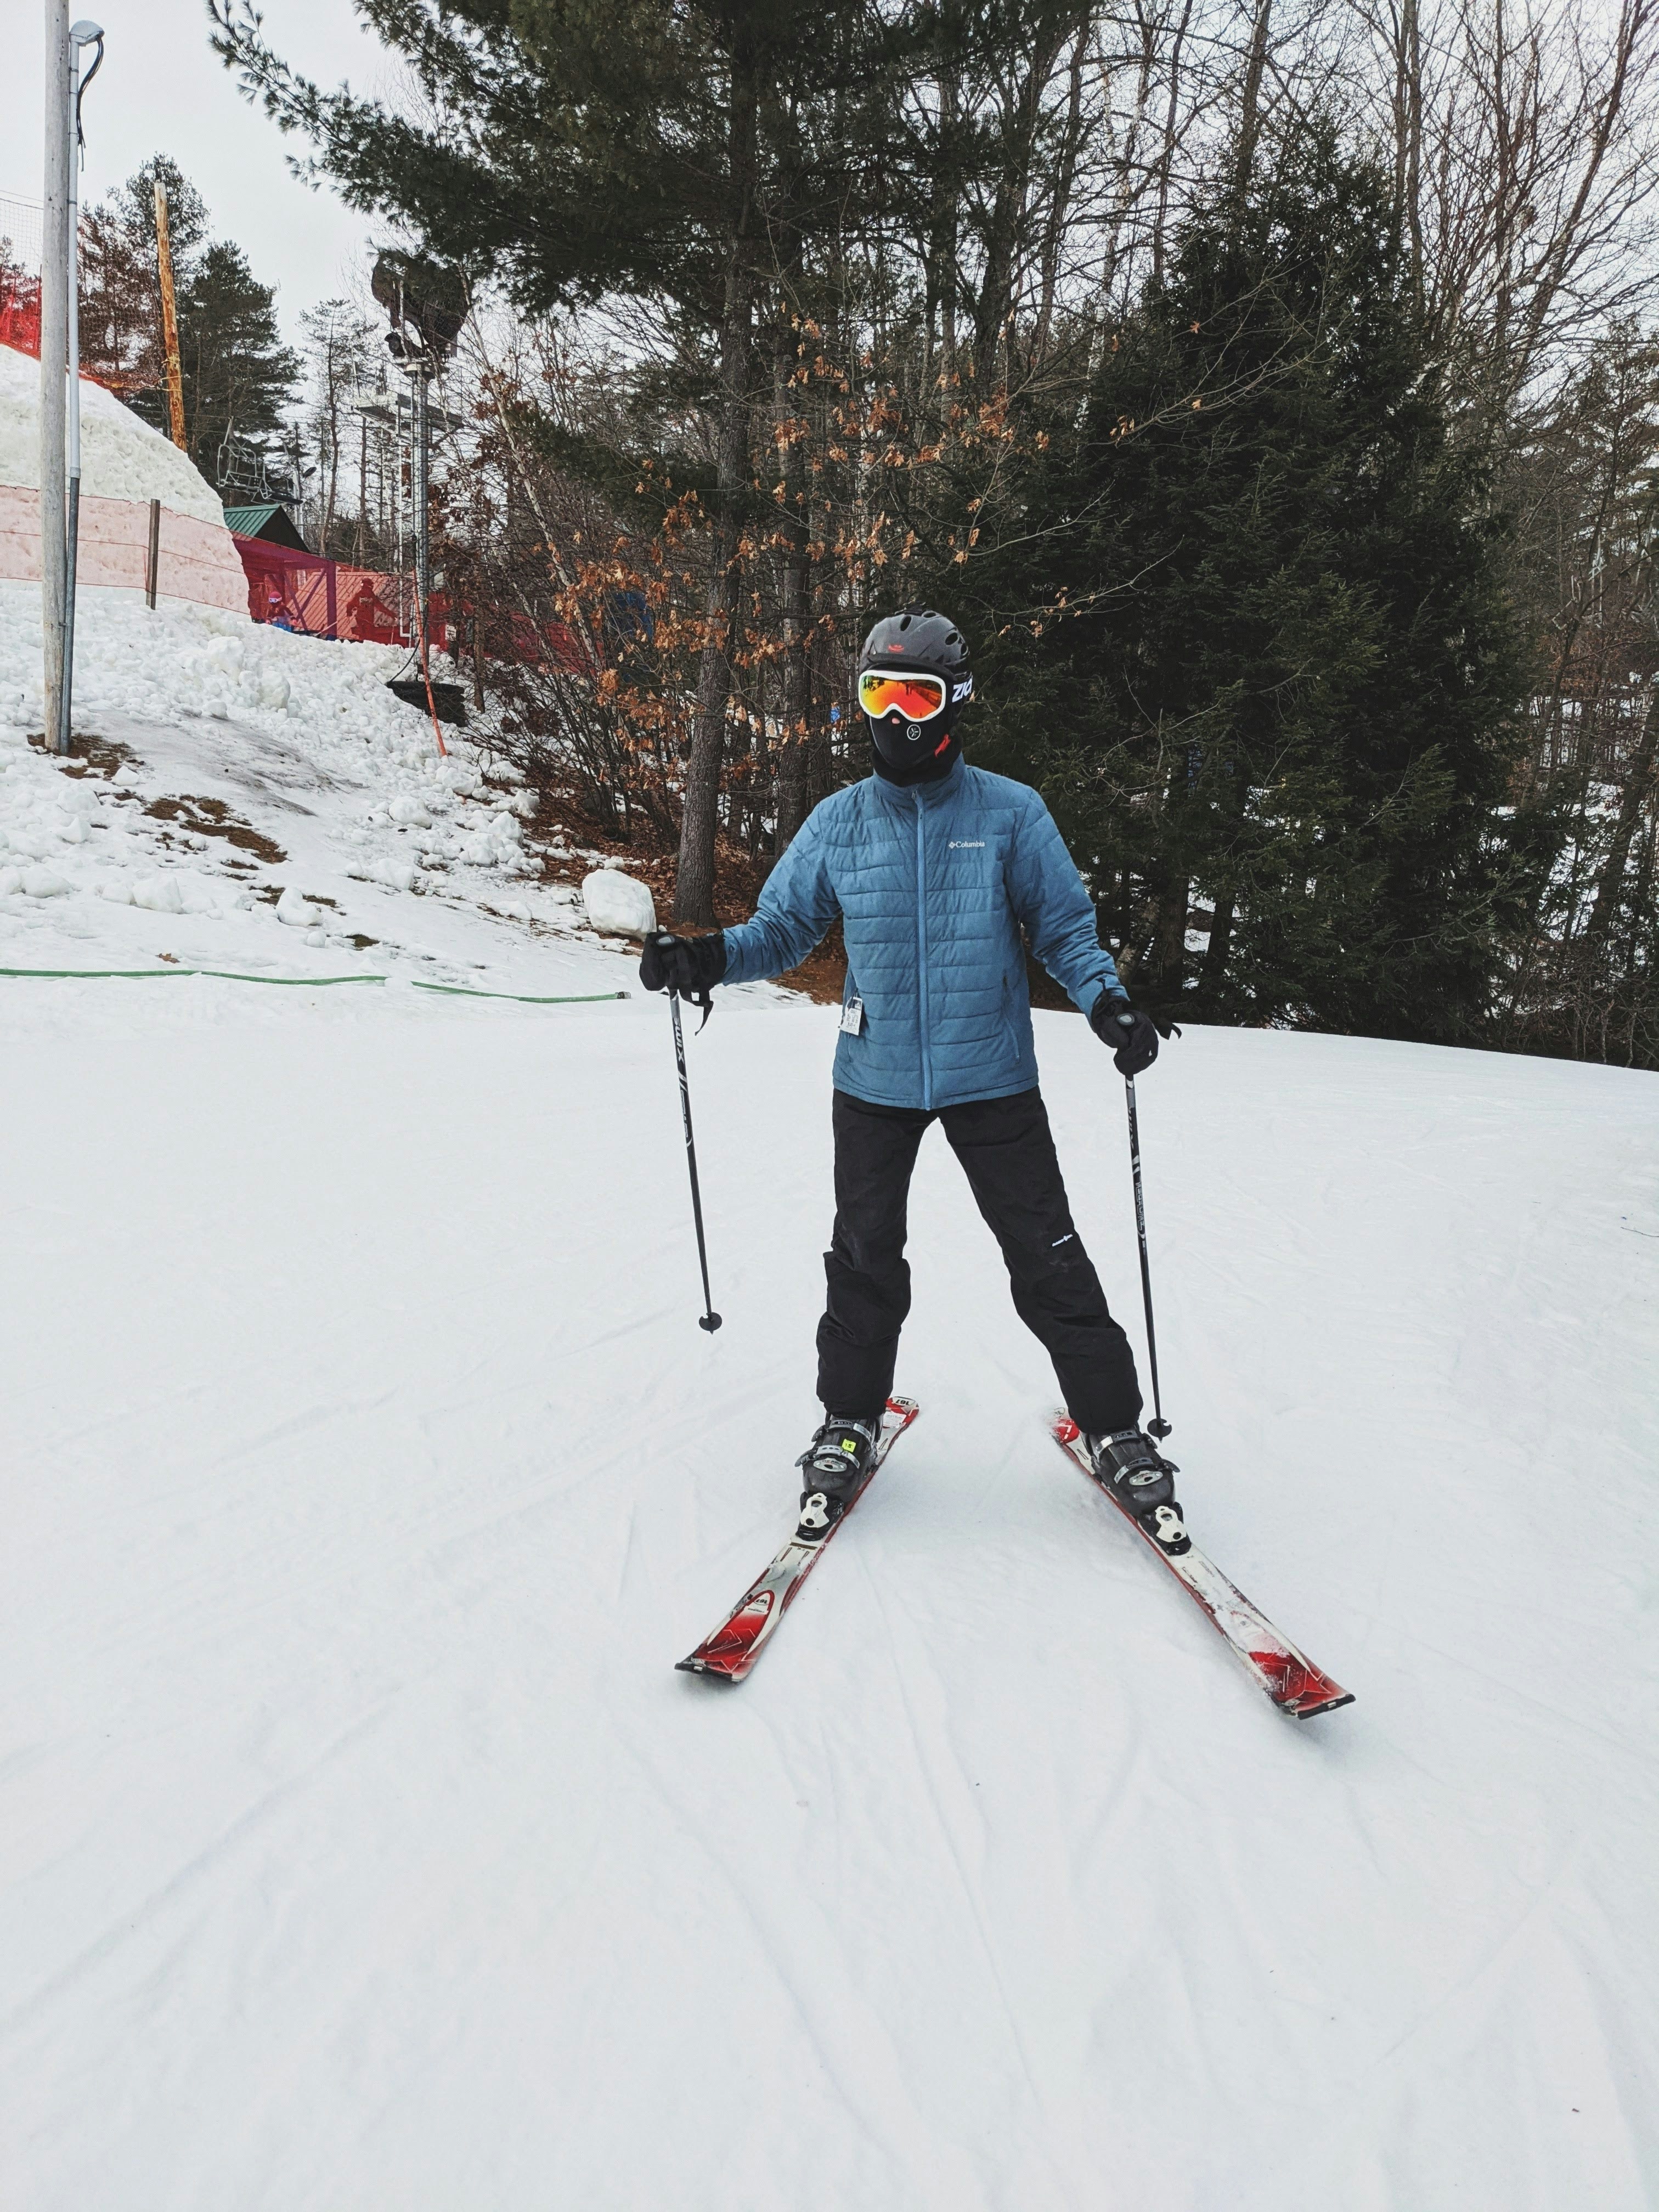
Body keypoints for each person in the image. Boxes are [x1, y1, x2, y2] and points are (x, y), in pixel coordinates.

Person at [641, 606, 1187, 1554]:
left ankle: (1117, 1429)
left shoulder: (1011, 813)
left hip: (993, 1079)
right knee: (864, 1261)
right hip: (876, 1079)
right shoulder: (839, 822)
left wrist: (1109, 1003)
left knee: (1048, 1258)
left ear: (955, 702)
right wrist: (701, 959)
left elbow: (1064, 929)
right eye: (878, 694)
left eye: (917, 695)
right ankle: (847, 1420)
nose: (896, 719)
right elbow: (781, 931)